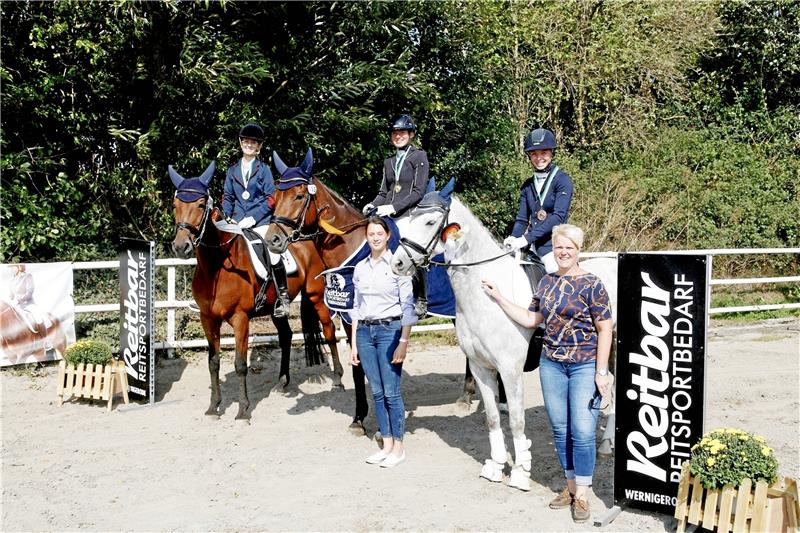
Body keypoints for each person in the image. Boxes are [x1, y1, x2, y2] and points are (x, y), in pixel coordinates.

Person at [482, 224, 612, 524]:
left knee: (583, 431)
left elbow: (605, 328)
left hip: (584, 364)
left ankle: (582, 493)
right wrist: (500, 298)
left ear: (578, 250)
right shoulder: (546, 282)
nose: (563, 252)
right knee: (561, 429)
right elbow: (532, 319)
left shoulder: (592, 284)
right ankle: (570, 487)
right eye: (558, 247)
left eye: (569, 247)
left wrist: (602, 370)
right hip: (552, 365)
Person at [349, 217, 417, 468]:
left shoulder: (399, 266)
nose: (375, 237)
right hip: (365, 333)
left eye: (380, 233)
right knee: (377, 392)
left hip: (390, 331)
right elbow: (356, 307)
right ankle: (386, 444)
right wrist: (354, 344)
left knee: (391, 392)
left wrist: (404, 341)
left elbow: (407, 307)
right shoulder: (360, 268)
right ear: (366, 237)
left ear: (388, 235)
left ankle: (399, 447)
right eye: (371, 234)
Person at [362, 114, 430, 316]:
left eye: (402, 133)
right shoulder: (389, 161)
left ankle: (421, 297)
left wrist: (393, 207)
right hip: (388, 213)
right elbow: (384, 192)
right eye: (394, 133)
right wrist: (373, 204)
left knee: (411, 248)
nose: (398, 136)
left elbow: (418, 192)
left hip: (410, 213)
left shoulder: (419, 157)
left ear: (411, 134)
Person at [222, 123, 289, 318]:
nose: (249, 145)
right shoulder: (232, 171)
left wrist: (253, 218)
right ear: (241, 143)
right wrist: (228, 216)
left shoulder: (264, 170)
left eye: (253, 142)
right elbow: (228, 197)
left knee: (273, 253)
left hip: (260, 222)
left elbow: (271, 198)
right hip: (236, 222)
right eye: (246, 141)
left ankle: (283, 297)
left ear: (259, 146)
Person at [503, 128, 574, 275]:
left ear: (552, 153)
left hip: (554, 246)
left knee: (553, 270)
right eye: (534, 153)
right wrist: (514, 238)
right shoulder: (527, 186)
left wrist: (526, 238)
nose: (539, 158)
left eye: (544, 152)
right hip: (531, 246)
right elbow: (522, 220)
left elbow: (558, 217)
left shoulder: (562, 180)